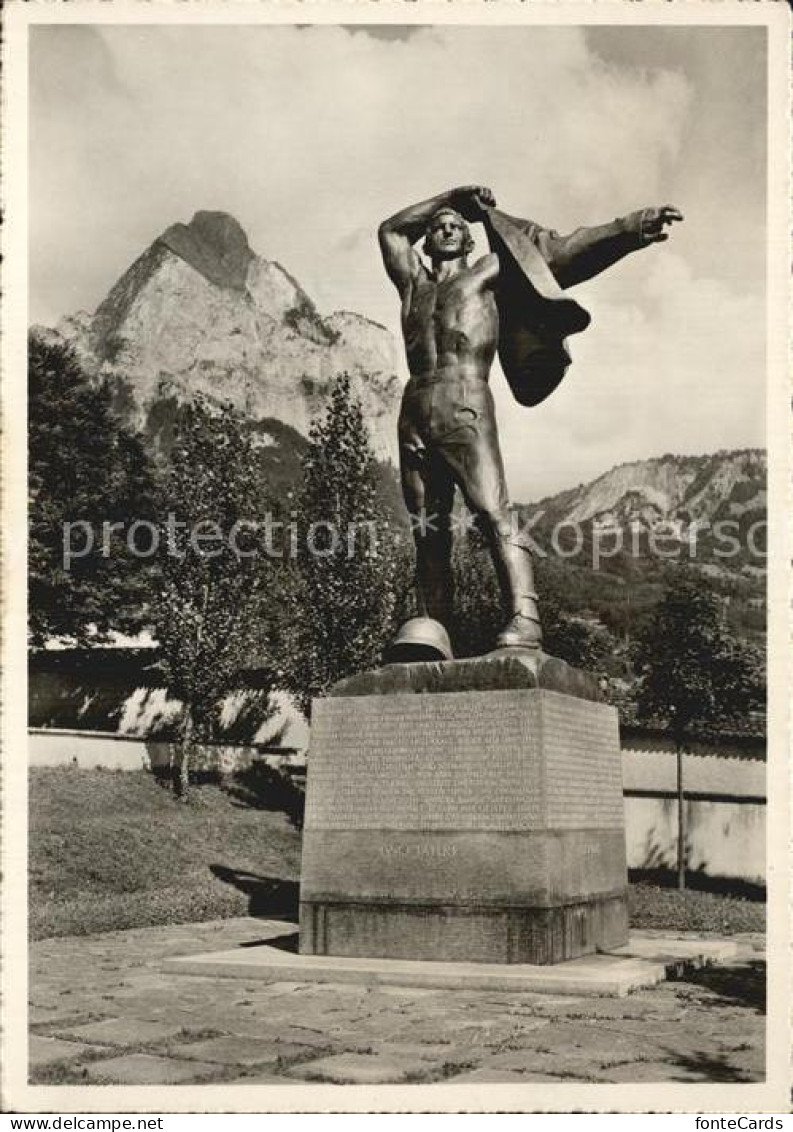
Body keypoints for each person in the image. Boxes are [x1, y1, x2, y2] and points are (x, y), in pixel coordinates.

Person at [378, 185, 682, 652]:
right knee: (428, 531)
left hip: (466, 400)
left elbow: (560, 254)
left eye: (454, 225)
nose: (444, 229)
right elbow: (392, 231)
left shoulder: (488, 273)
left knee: (492, 512)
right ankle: (435, 628)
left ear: (469, 239)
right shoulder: (413, 285)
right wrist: (453, 196)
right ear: (428, 239)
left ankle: (525, 618)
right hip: (414, 409)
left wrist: (630, 227)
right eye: (437, 226)